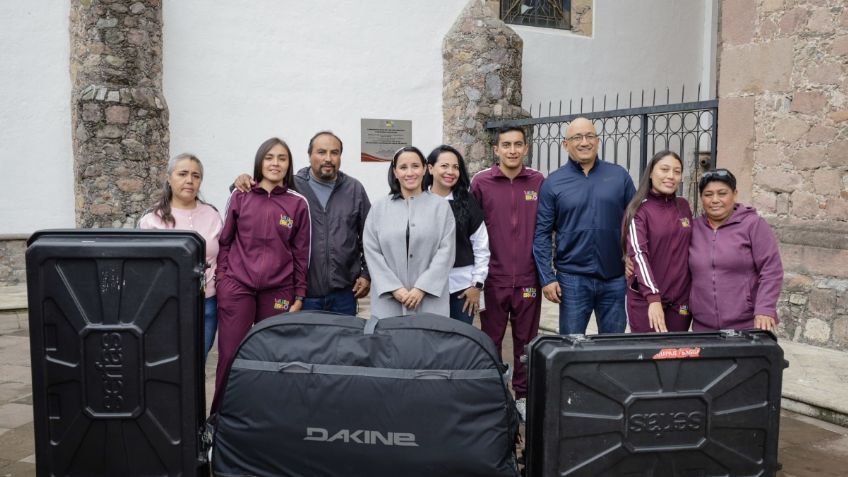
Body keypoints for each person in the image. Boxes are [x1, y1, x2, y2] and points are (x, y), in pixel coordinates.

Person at [212, 137, 311, 410]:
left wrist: (299, 294)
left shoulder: (297, 203)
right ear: (259, 161)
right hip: (237, 287)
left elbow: (301, 252)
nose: (275, 163)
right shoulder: (240, 195)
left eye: (282, 158)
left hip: (278, 291)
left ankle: (268, 419)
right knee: (230, 354)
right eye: (269, 157)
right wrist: (222, 280)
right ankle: (219, 419)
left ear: (289, 165)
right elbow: (225, 241)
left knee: (274, 356)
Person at [234, 131, 370, 315]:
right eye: (321, 152)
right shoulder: (292, 185)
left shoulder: (354, 189)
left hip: (344, 294)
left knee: (344, 344)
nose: (328, 158)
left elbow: (370, 237)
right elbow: (259, 191)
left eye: (334, 153)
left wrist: (366, 274)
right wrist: (242, 180)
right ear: (309, 155)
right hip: (304, 294)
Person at [533, 117, 636, 335]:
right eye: (577, 137)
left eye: (590, 136)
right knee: (571, 347)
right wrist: (547, 278)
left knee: (613, 346)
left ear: (598, 141)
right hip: (572, 281)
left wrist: (632, 257)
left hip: (614, 279)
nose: (584, 142)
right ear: (565, 144)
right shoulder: (553, 183)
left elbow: (636, 224)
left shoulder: (619, 176)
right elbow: (541, 234)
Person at [470, 127, 544, 421]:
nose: (512, 150)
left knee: (527, 342)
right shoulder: (480, 182)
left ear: (526, 148)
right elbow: (471, 231)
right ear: (496, 149)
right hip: (492, 279)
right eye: (506, 145)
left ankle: (523, 396)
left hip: (528, 279)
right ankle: (495, 395)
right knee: (491, 340)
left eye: (517, 145)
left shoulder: (538, 181)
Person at [138, 153, 223, 361]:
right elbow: (143, 268)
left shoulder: (212, 214)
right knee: (169, 362)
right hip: (167, 304)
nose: (189, 180)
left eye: (196, 176)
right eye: (182, 174)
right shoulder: (152, 220)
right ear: (169, 178)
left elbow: (224, 254)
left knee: (197, 362)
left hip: (207, 304)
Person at [363, 146, 455, 318]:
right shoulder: (379, 208)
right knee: (390, 343)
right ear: (395, 172)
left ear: (425, 169)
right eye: (403, 167)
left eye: (415, 166)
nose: (410, 172)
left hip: (430, 300)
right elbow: (372, 251)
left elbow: (446, 252)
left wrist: (421, 288)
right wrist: (395, 289)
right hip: (389, 302)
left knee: (427, 342)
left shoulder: (441, 207)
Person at [689, 168, 783, 331]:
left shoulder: (753, 224)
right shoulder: (693, 228)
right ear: (701, 198)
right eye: (708, 194)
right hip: (703, 327)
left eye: (722, 193)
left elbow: (771, 270)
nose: (715, 200)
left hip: (747, 324)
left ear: (735, 194)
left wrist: (765, 309)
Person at [621, 151, 693, 333]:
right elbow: (638, 254)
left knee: (677, 354)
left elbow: (694, 246)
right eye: (665, 169)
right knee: (649, 356)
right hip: (646, 301)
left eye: (677, 171)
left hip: (681, 303)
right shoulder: (638, 209)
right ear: (651, 173)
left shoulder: (683, 206)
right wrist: (653, 298)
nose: (671, 176)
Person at [424, 145, 490, 324]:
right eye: (444, 166)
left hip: (462, 288)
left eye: (455, 167)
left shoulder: (467, 202)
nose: (451, 172)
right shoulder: (419, 201)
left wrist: (477, 285)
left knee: (460, 343)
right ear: (430, 168)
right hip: (426, 287)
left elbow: (481, 246)